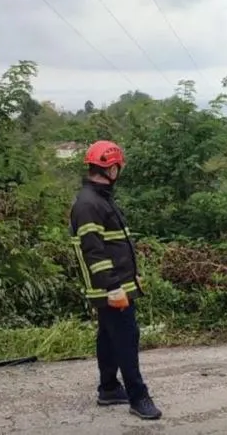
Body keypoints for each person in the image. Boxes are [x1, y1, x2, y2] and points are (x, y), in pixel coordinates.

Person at [69, 140, 162, 420]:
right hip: (110, 286)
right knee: (126, 337)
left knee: (109, 337)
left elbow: (115, 244)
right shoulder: (89, 204)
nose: (118, 172)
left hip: (118, 282)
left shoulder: (101, 199)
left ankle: (109, 388)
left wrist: (131, 276)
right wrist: (112, 288)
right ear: (110, 167)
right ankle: (138, 396)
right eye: (117, 167)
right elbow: (94, 251)